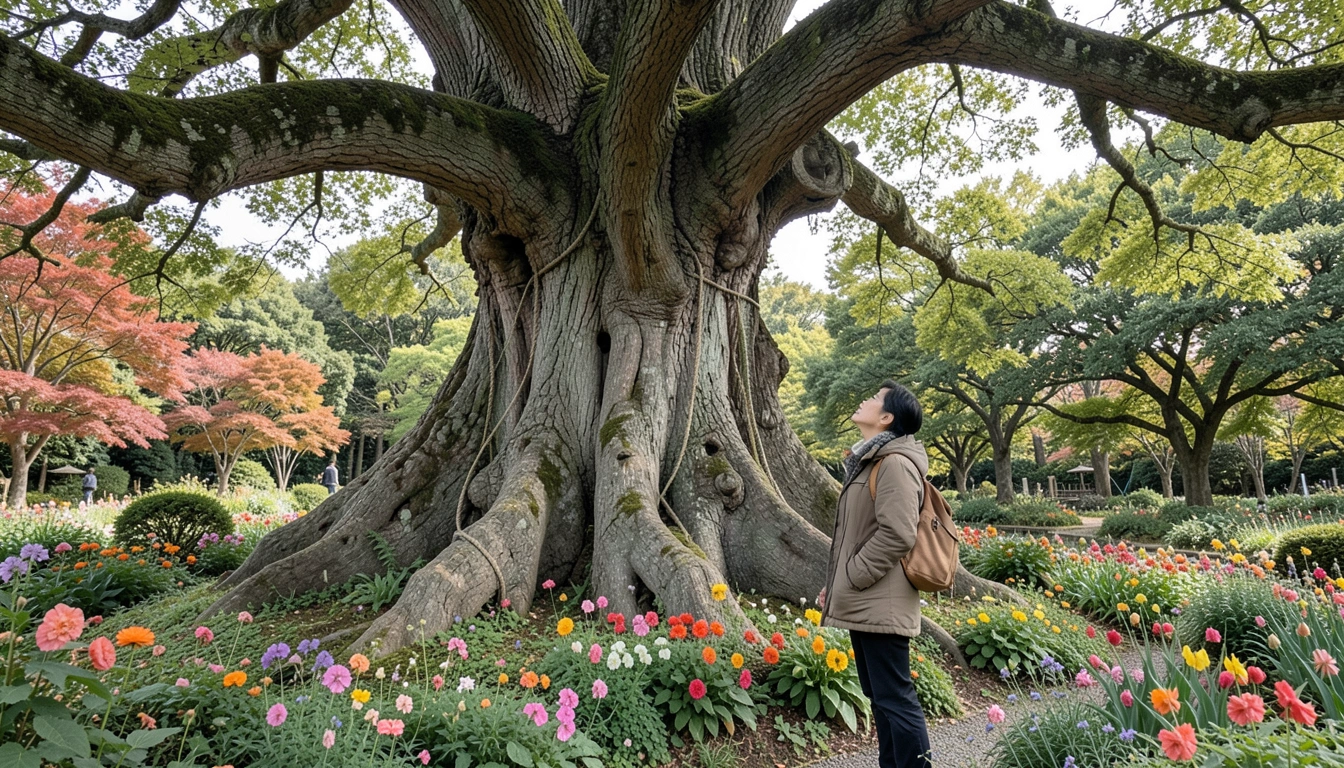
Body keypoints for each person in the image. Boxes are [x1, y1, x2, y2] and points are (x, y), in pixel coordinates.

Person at [819, 379, 932, 768]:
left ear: (886, 418)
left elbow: (898, 533)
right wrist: (838, 585)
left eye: (874, 399)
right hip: (868, 599)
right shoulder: (872, 461)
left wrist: (853, 575)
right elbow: (860, 534)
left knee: (896, 699)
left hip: (881, 601)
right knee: (882, 698)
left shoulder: (895, 463)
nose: (864, 401)